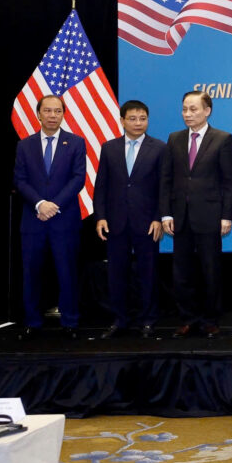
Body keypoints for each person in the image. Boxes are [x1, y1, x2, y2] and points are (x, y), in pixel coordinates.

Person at [160, 90, 232, 338]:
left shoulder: (222, 139)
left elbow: (228, 182)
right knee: (182, 272)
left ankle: (210, 319)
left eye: (193, 109)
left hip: (210, 215)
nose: (187, 114)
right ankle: (188, 319)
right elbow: (166, 179)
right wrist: (166, 214)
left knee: (210, 271)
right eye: (184, 109)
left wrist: (226, 216)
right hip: (180, 217)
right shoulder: (174, 139)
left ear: (207, 111)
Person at [13, 95, 86, 340]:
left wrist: (54, 205)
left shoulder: (76, 143)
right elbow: (20, 180)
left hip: (64, 219)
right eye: (48, 111)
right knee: (31, 273)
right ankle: (32, 323)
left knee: (67, 272)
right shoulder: (25, 145)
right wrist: (40, 204)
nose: (53, 115)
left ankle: (70, 322)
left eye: (57, 111)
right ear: (38, 114)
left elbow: (78, 178)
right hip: (33, 219)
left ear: (63, 114)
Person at [93, 99, 166, 339]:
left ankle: (148, 321)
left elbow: (164, 187)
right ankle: (120, 320)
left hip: (147, 223)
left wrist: (158, 217)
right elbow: (101, 186)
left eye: (142, 118)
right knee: (116, 274)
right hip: (116, 222)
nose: (138, 123)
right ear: (122, 121)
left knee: (148, 273)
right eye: (132, 119)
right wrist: (101, 216)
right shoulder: (109, 148)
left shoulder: (159, 148)